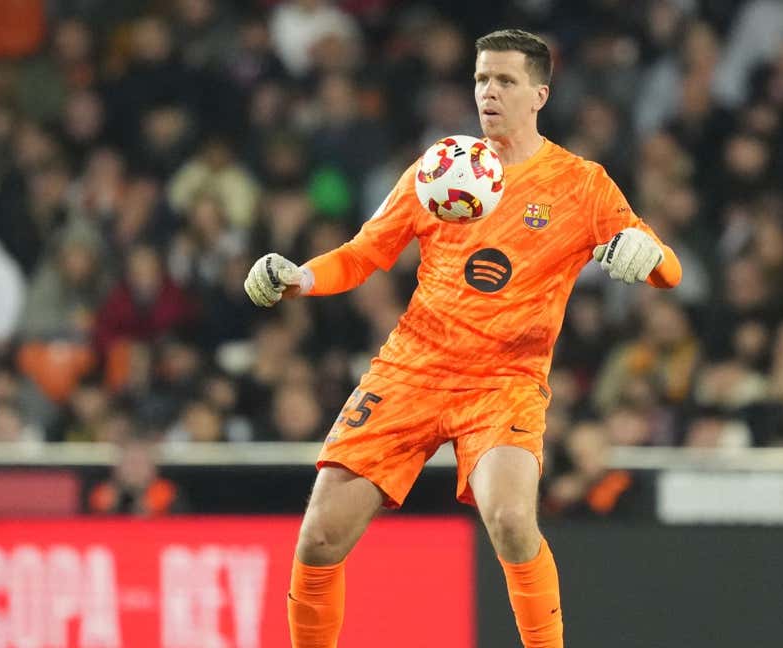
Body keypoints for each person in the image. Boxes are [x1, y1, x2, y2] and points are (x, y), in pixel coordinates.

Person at [244, 29, 682, 648]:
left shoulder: (581, 185)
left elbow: (670, 271)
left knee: (509, 520)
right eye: (481, 79)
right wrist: (303, 278)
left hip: (504, 382)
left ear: (540, 95)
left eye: (505, 81)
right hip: (411, 369)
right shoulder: (442, 168)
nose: (489, 92)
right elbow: (365, 254)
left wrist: (651, 255)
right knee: (318, 537)